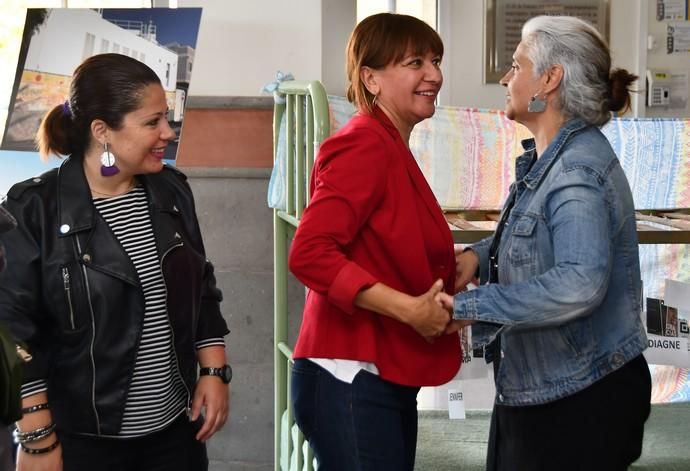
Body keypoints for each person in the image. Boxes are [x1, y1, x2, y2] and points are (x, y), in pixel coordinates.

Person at [438, 15, 651, 471]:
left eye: (516, 66)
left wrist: (469, 308)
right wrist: (479, 256)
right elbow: (540, 232)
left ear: (549, 80)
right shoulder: (560, 159)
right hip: (550, 389)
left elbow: (579, 283)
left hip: (578, 403)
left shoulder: (576, 171)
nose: (505, 77)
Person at [0, 53, 231, 471]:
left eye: (167, 118)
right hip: (77, 441)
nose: (168, 133)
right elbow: (13, 331)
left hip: (175, 435)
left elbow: (200, 284)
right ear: (102, 131)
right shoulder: (31, 209)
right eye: (152, 122)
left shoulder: (171, 192)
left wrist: (214, 372)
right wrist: (37, 438)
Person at [288, 13, 460, 471]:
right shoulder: (364, 144)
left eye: (437, 60)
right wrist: (410, 310)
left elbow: (390, 250)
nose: (434, 75)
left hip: (377, 372)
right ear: (371, 78)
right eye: (415, 62)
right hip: (349, 375)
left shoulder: (389, 144)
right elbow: (309, 253)